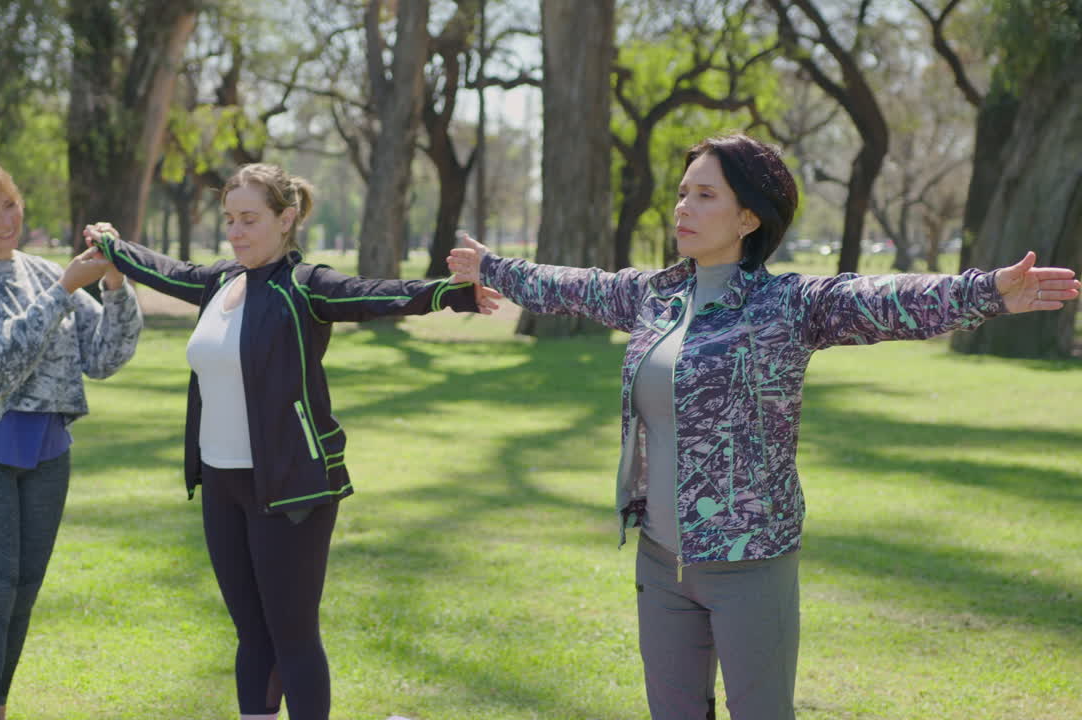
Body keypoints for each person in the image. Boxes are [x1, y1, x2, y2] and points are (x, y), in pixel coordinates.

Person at [446, 133, 1080, 720]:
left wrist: (989, 292)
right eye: (681, 193)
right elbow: (571, 285)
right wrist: (490, 267)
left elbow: (888, 302)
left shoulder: (789, 306)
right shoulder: (655, 297)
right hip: (661, 562)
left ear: (748, 218)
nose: (682, 208)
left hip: (751, 563)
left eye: (705, 195)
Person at [84, 162, 499, 720]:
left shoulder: (305, 288)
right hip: (220, 484)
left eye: (250, 219)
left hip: (290, 486)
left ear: (287, 219)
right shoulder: (217, 282)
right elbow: (162, 269)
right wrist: (112, 244)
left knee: (293, 638)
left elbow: (375, 294)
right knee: (252, 636)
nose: (235, 232)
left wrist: (452, 294)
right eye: (230, 219)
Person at [0, 155, 143, 720]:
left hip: (47, 453)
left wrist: (114, 281)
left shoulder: (45, 272)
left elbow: (106, 356)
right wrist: (67, 287)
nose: (4, 221)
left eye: (10, 205)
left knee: (22, 593)